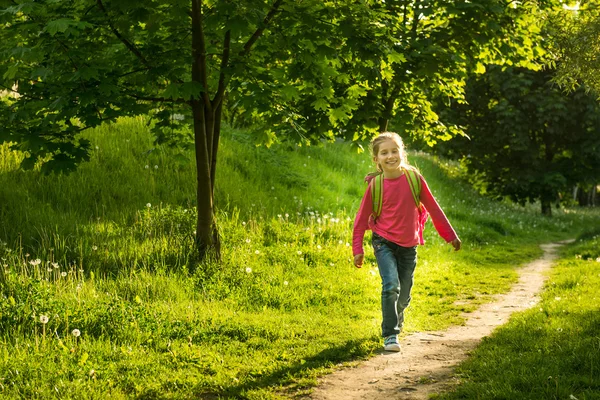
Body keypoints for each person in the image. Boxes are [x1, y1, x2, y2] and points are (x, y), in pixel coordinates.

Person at [352, 132, 461, 352]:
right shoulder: (376, 185)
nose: (390, 156)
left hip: (408, 245)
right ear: (377, 159)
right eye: (384, 153)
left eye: (394, 151)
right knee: (391, 285)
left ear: (402, 152)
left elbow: (433, 208)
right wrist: (358, 249)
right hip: (383, 241)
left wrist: (450, 235)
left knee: (403, 295)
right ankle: (390, 335)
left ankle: (397, 316)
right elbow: (361, 219)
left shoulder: (414, 179)